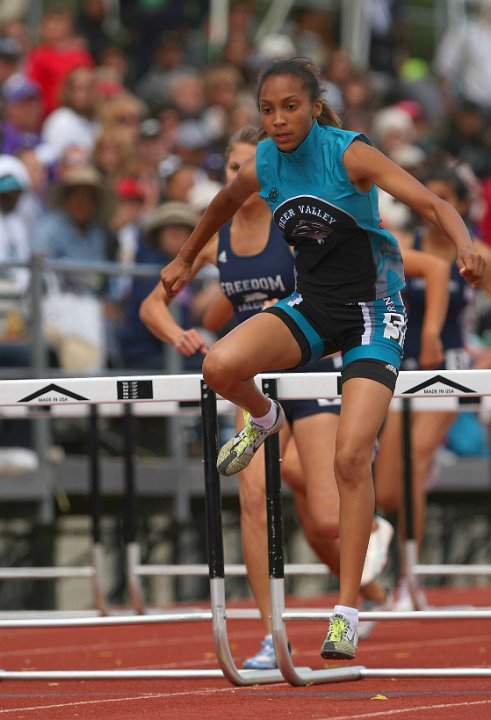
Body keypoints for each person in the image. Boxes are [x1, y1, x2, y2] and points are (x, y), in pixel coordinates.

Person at [160, 58, 485, 661]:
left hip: (372, 310)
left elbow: (430, 202)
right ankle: (263, 419)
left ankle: (345, 611)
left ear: (314, 106)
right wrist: (184, 259)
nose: (278, 120)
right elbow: (222, 205)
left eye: (289, 107)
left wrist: (465, 241)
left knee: (349, 457)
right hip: (313, 304)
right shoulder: (263, 161)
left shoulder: (350, 153)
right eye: (267, 110)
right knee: (220, 367)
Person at [375, 167, 491, 610]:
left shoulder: (477, 253)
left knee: (412, 459)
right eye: (429, 199)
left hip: (452, 368)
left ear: (460, 204)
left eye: (445, 198)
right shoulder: (407, 249)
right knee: (387, 491)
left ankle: (407, 580)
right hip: (403, 370)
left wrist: (484, 359)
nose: (435, 211)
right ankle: (401, 572)